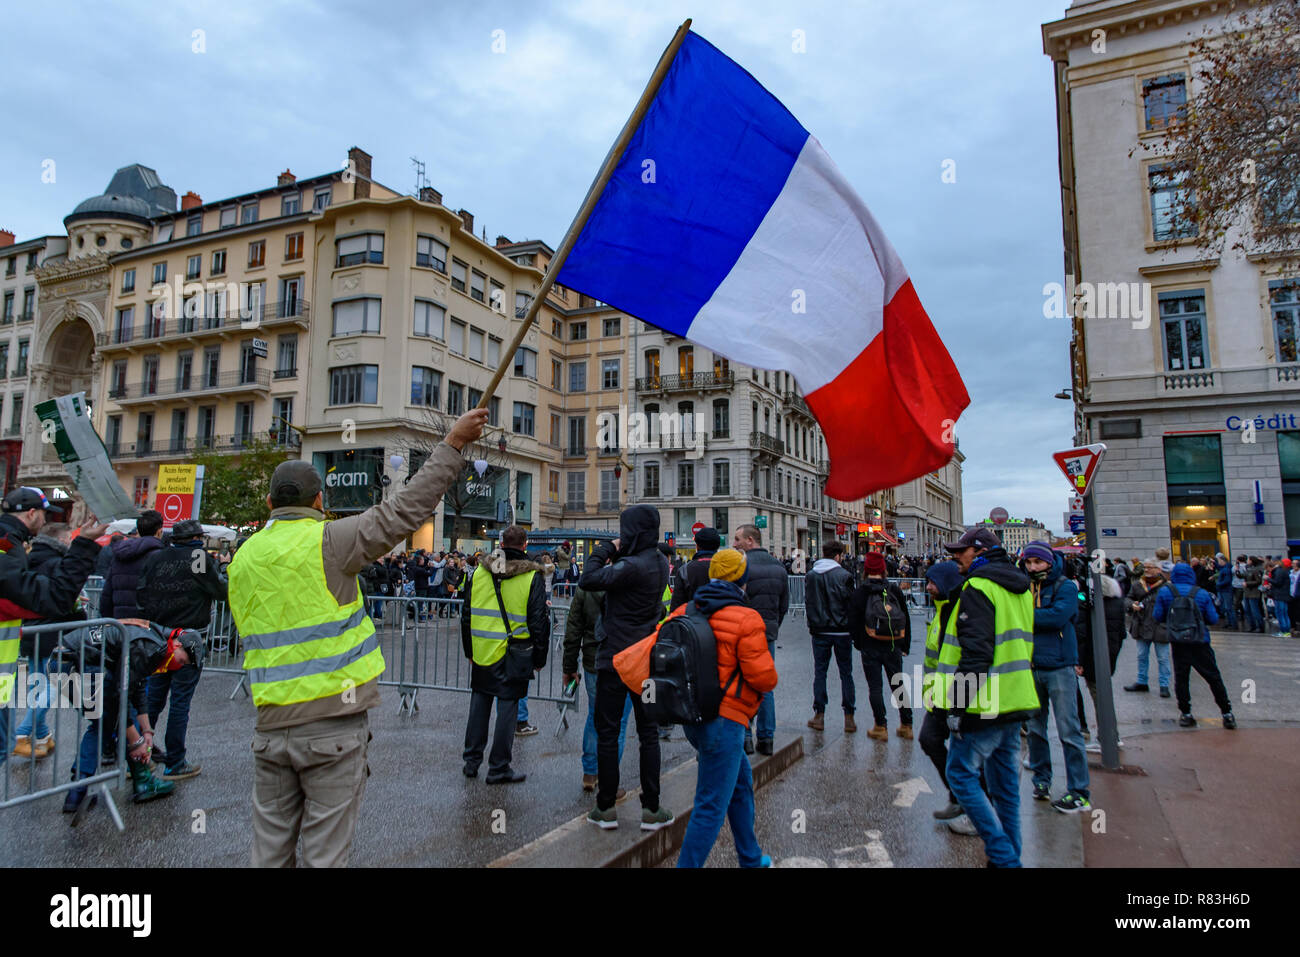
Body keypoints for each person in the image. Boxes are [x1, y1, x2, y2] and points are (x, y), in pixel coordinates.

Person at [227, 407, 487, 867]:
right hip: (332, 725)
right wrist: (453, 444)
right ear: (319, 502)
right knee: (325, 857)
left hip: (269, 726)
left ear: (269, 504)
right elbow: (406, 510)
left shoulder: (243, 558)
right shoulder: (329, 541)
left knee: (267, 856)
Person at [617, 548, 778, 867]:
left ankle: (751, 857)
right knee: (709, 807)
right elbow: (764, 678)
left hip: (693, 717)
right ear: (742, 580)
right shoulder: (747, 618)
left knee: (741, 785)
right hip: (727, 722)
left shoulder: (687, 611)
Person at [936, 528, 1039, 868]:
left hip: (984, 702)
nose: (955, 556)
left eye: (960, 551)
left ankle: (1004, 857)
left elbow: (976, 654)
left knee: (961, 776)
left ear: (978, 552)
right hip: (1016, 697)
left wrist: (957, 706)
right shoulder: (1020, 586)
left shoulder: (978, 587)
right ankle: (1009, 858)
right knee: (1006, 789)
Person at [579, 504, 673, 832]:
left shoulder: (631, 565)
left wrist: (606, 548)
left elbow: (588, 578)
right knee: (648, 734)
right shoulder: (660, 561)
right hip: (644, 661)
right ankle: (652, 807)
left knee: (608, 732)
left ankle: (605, 808)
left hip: (615, 660)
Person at [0, 490, 105, 767]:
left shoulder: (15, 546)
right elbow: (53, 598)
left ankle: (37, 733)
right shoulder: (7, 547)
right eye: (45, 513)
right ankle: (27, 733)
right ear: (32, 514)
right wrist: (83, 545)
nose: (45, 519)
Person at [136, 518, 228, 780]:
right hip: (188, 638)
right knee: (180, 701)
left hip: (158, 637)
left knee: (153, 699)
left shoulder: (156, 557)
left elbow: (141, 595)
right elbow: (219, 590)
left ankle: (140, 753)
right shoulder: (198, 557)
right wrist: (220, 572)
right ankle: (175, 761)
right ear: (197, 538)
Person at [460, 527, 549, 783]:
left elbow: (467, 614)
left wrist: (469, 649)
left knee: (479, 705)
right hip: (515, 653)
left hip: (483, 649)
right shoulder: (531, 577)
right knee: (507, 709)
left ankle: (471, 761)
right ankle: (498, 767)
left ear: (500, 543)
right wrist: (540, 658)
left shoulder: (479, 572)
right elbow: (538, 622)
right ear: (525, 545)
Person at [9, 521, 89, 762]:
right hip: (54, 634)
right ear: (61, 540)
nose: (69, 542)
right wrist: (77, 606)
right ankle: (22, 733)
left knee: (38, 686)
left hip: (32, 632)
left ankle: (42, 734)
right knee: (53, 686)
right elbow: (59, 599)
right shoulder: (56, 564)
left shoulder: (26, 560)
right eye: (68, 538)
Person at [1019, 542, 1090, 813]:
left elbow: (1057, 617)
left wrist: (1025, 616)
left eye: (1038, 562)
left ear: (1049, 562)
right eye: (1029, 563)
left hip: (1059, 665)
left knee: (1068, 730)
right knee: (1035, 729)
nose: (1034, 567)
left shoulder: (1065, 587)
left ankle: (1079, 790)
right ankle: (1041, 779)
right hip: (1032, 664)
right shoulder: (1026, 587)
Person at [561, 584, 631, 792]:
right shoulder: (630, 580)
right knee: (618, 720)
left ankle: (590, 772)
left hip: (594, 660)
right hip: (624, 660)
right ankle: (609, 778)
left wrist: (569, 666)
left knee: (595, 714)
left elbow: (573, 629)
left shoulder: (588, 585)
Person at [1152, 561, 1236, 730]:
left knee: (1182, 679)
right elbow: (1212, 619)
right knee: (1213, 677)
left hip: (1178, 641)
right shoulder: (1201, 593)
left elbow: (1157, 616)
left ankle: (1186, 714)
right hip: (1200, 641)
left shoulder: (1166, 592)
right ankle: (1227, 713)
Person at [731, 523, 788, 755]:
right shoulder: (779, 568)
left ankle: (746, 736)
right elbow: (783, 606)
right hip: (768, 633)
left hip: (745, 634)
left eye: (737, 539)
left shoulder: (742, 566)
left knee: (742, 684)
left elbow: (736, 601)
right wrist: (772, 627)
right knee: (766, 686)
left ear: (750, 541)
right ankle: (767, 738)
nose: (734, 544)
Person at [917, 560, 965, 821]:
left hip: (961, 694)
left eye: (932, 582)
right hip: (939, 695)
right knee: (929, 740)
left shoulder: (960, 611)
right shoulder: (940, 610)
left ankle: (972, 806)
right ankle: (958, 796)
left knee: (967, 755)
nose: (928, 587)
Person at [848, 551, 912, 741]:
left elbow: (853, 622)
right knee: (898, 684)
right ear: (884, 570)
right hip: (893, 645)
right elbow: (905, 618)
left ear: (866, 570)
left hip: (870, 645)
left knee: (875, 687)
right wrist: (904, 644)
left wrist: (859, 643)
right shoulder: (893, 590)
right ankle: (907, 725)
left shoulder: (860, 593)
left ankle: (880, 726)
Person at [803, 541, 857, 737]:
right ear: (838, 556)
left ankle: (819, 714)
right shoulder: (844, 576)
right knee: (846, 673)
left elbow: (809, 602)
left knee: (820, 673)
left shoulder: (811, 575)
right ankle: (849, 717)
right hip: (842, 631)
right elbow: (850, 604)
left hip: (820, 631)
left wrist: (813, 624)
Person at [99, 510, 165, 619]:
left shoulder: (120, 554)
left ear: (138, 530)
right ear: (159, 532)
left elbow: (107, 595)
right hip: (147, 626)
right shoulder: (160, 557)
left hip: (119, 623)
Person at [1125, 560, 1171, 697]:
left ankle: (1164, 685)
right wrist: (1132, 604)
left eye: (1150, 567)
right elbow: (1127, 598)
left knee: (1163, 658)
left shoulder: (1166, 587)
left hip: (1160, 626)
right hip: (1141, 624)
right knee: (1141, 655)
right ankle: (1142, 681)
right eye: (1145, 567)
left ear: (1158, 569)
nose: (1146, 570)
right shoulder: (1138, 584)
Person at [669, 526, 721, 612]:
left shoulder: (685, 570)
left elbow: (677, 605)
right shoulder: (726, 567)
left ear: (697, 546)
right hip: (722, 621)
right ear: (717, 546)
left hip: (693, 621)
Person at [1269, 557, 1292, 637]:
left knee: (1280, 613)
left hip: (1279, 595)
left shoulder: (1279, 571)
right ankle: (1287, 631)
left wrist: (1268, 579)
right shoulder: (1284, 571)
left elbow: (1278, 583)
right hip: (1284, 595)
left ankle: (1284, 631)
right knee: (1284, 613)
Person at [1213, 554, 1236, 630]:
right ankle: (1230, 623)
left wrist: (1218, 584)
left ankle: (1232, 623)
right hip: (1224, 590)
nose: (1218, 562)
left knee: (1228, 607)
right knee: (1227, 608)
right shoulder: (1224, 568)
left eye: (1219, 561)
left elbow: (1227, 580)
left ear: (1223, 561)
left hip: (1226, 590)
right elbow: (1218, 567)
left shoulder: (1226, 569)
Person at [1242, 558, 1265, 633]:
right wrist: (1237, 571)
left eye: (1248, 560)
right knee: (1247, 610)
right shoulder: (1248, 569)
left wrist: (1248, 584)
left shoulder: (1256, 570)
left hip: (1254, 592)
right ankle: (1252, 626)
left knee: (1255, 610)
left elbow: (1258, 581)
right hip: (1247, 592)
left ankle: (1260, 626)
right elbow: (1243, 577)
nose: (1247, 561)